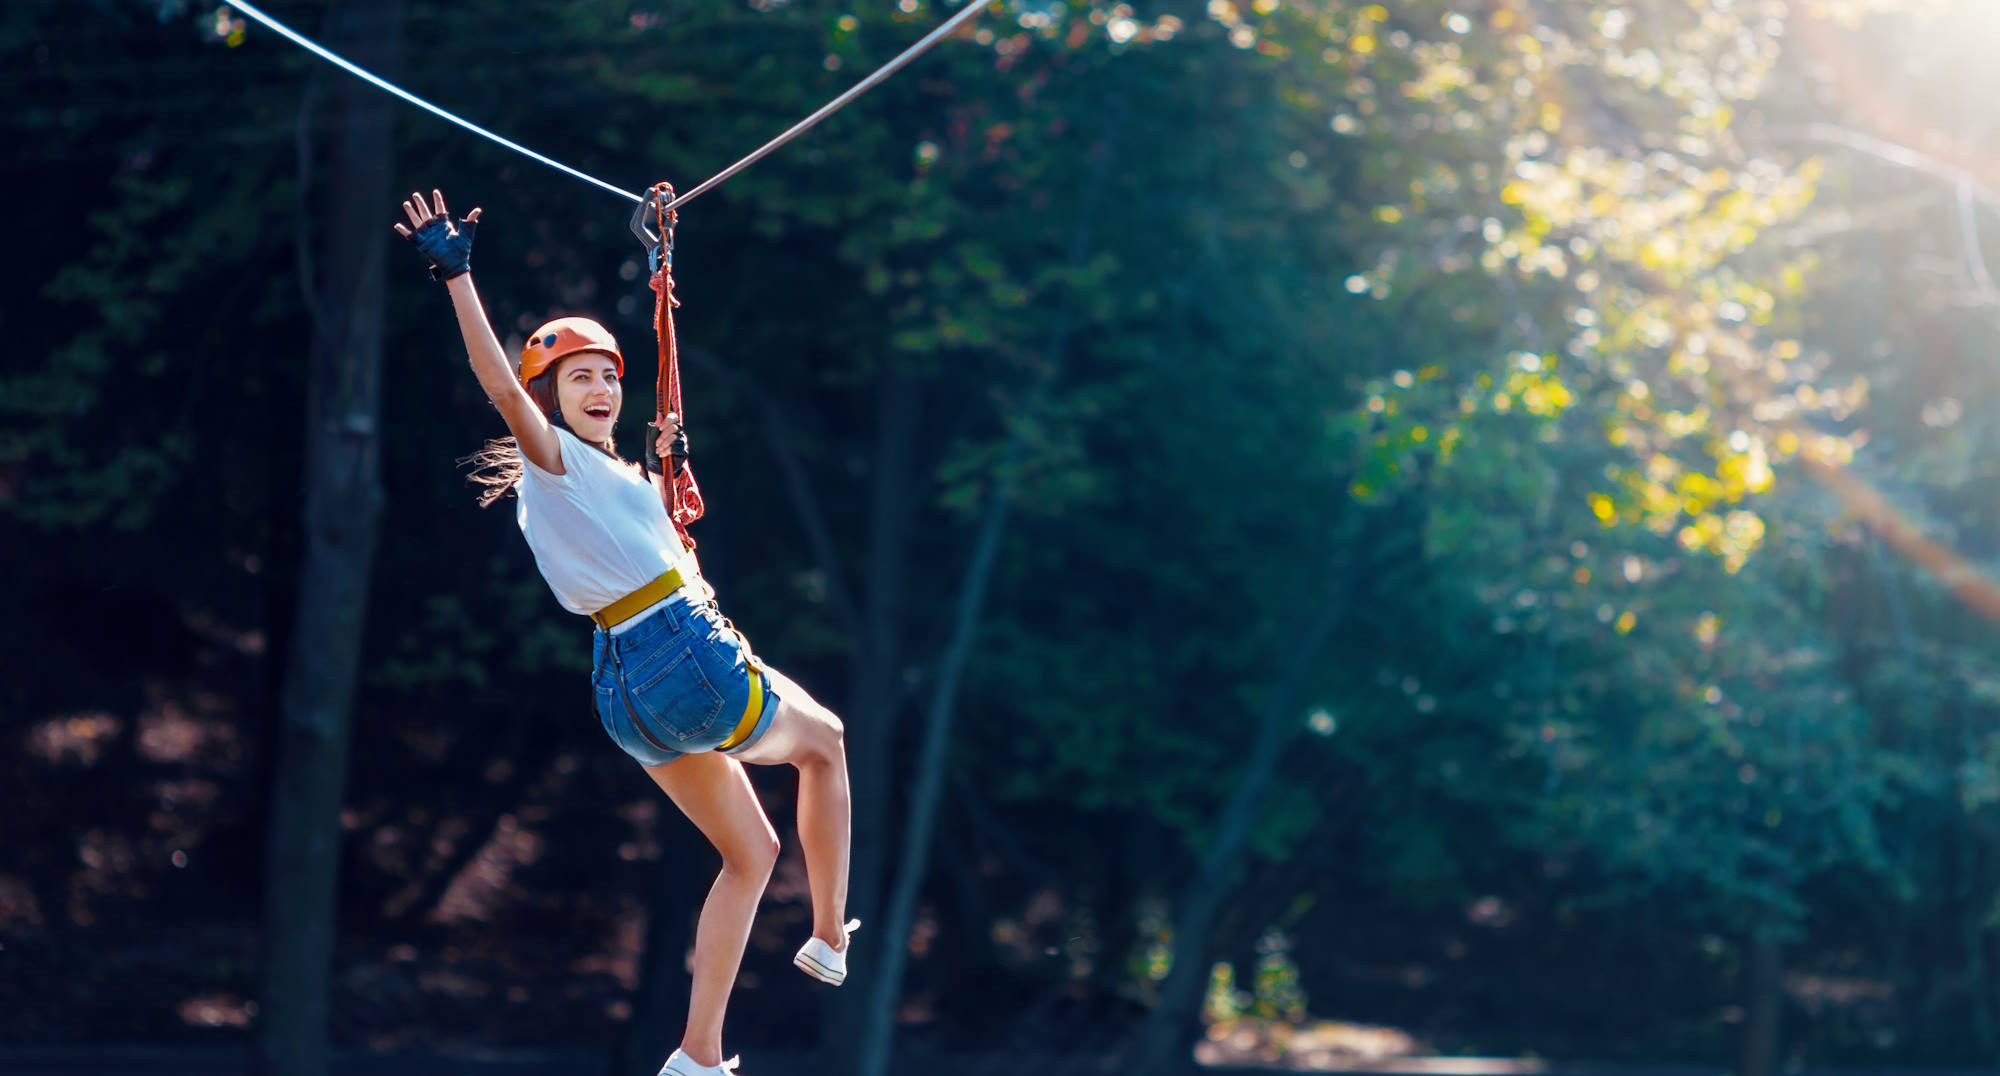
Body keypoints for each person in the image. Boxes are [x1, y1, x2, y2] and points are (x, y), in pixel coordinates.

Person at [395, 189, 856, 1076]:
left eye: (608, 374)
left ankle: (698, 1054)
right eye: (580, 378)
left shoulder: (606, 477)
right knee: (826, 743)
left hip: (622, 690)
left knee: (752, 852)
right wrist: (456, 274)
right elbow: (497, 383)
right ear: (548, 401)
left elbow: (647, 534)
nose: (602, 386)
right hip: (679, 654)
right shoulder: (553, 461)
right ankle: (832, 937)